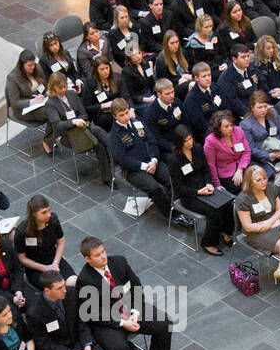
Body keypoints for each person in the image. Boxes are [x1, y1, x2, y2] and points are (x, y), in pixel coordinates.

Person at [76, 236, 174, 350]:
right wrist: (122, 322)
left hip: (128, 308)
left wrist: (135, 312)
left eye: (103, 251)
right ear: (87, 259)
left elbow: (136, 286)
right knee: (119, 349)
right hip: (108, 322)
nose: (103, 256)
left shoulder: (119, 262)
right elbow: (94, 313)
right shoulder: (85, 280)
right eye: (97, 255)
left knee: (165, 322)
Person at [166, 125, 234, 255]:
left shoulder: (197, 149)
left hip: (204, 187)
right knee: (213, 212)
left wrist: (209, 183)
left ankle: (226, 231)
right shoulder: (174, 160)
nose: (189, 143)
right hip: (189, 195)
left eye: (190, 139)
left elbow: (206, 170)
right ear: (179, 142)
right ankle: (208, 243)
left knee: (227, 203)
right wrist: (198, 192)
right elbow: (178, 187)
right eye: (186, 141)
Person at [234, 166, 280, 298]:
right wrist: (272, 224)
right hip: (255, 234)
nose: (263, 182)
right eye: (259, 180)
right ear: (250, 182)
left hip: (270, 225)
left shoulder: (270, 189)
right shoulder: (243, 199)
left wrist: (270, 222)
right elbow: (248, 227)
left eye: (264, 178)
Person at [106, 99, 174, 217]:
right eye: (121, 115)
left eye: (127, 113)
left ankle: (175, 205)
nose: (126, 117)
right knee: (154, 188)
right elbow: (122, 160)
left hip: (150, 161)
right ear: (114, 116)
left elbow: (152, 141)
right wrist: (144, 166)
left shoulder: (137, 123)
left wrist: (154, 160)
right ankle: (171, 215)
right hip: (133, 170)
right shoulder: (114, 136)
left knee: (170, 178)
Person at [45, 71, 113, 184]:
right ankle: (115, 150)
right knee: (97, 135)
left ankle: (107, 178)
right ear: (53, 87)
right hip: (67, 135)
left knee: (98, 143)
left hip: (83, 127)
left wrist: (80, 121)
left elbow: (84, 113)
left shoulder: (71, 94)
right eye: (60, 87)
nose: (63, 90)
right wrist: (73, 122)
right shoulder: (50, 104)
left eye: (65, 86)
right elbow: (57, 125)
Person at [6, 50, 52, 152]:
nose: (32, 68)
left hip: (41, 100)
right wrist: (33, 102)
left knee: (59, 105)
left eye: (33, 65)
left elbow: (44, 84)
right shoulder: (12, 78)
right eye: (29, 66)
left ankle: (54, 134)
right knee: (52, 112)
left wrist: (46, 93)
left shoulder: (37, 68)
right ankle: (48, 140)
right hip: (24, 109)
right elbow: (15, 103)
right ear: (22, 65)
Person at [203, 110, 251, 194]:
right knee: (242, 187)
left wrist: (240, 169)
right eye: (226, 126)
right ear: (218, 128)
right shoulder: (211, 141)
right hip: (227, 172)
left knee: (257, 177)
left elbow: (246, 152)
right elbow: (211, 165)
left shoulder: (238, 131)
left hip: (242, 165)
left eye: (231, 125)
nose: (230, 129)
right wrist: (217, 184)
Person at [82, 55, 126, 133]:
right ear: (96, 70)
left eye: (107, 68)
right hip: (102, 114)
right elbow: (87, 107)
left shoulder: (117, 77)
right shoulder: (90, 83)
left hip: (119, 108)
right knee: (110, 119)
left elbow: (126, 96)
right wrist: (103, 106)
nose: (105, 71)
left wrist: (131, 109)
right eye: (102, 69)